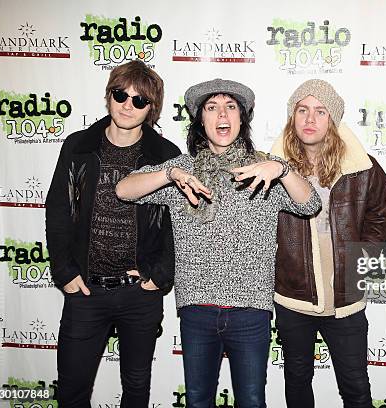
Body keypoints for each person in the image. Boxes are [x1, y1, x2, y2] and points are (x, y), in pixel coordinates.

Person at [115, 78, 321, 408]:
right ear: (200, 120)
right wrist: (169, 175)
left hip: (251, 310)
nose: (221, 114)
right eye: (212, 107)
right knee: (197, 401)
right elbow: (123, 190)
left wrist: (281, 168)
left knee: (252, 401)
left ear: (242, 118)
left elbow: (310, 204)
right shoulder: (182, 168)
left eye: (230, 107)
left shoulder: (263, 167)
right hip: (197, 309)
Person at [45, 60, 181, 407]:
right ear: (109, 96)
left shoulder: (165, 156)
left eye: (140, 100)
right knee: (73, 388)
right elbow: (58, 210)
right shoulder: (78, 147)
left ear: (152, 109)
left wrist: (159, 276)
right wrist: (64, 270)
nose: (127, 105)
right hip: (86, 290)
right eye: (121, 95)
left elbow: (179, 224)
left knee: (136, 389)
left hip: (139, 294)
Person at [271, 79, 386, 408]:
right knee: (297, 380)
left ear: (333, 120)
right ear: (292, 117)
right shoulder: (273, 170)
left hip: (346, 300)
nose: (310, 119)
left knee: (355, 387)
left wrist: (360, 260)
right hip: (292, 298)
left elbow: (382, 215)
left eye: (320, 111)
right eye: (302, 110)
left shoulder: (362, 168)